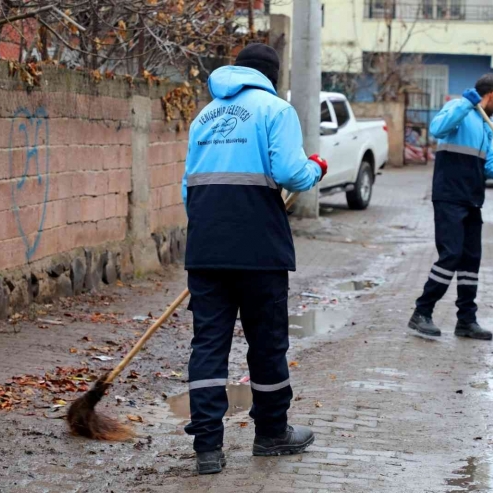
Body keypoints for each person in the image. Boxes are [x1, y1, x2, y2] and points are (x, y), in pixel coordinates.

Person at [181, 43, 328, 475]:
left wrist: (210, 235)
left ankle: (207, 448)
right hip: (259, 247)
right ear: (272, 75)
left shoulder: (203, 116)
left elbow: (188, 188)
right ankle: (271, 434)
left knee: (208, 344)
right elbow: (289, 173)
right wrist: (315, 167)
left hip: (207, 247)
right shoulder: (275, 110)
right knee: (266, 342)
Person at [408, 74, 493, 342]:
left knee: (470, 262)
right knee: (450, 256)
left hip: (472, 200)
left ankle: (466, 320)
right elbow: (437, 128)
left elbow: (489, 166)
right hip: (449, 197)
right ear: (491, 95)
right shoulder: (459, 109)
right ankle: (422, 312)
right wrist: (466, 104)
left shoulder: (486, 126)